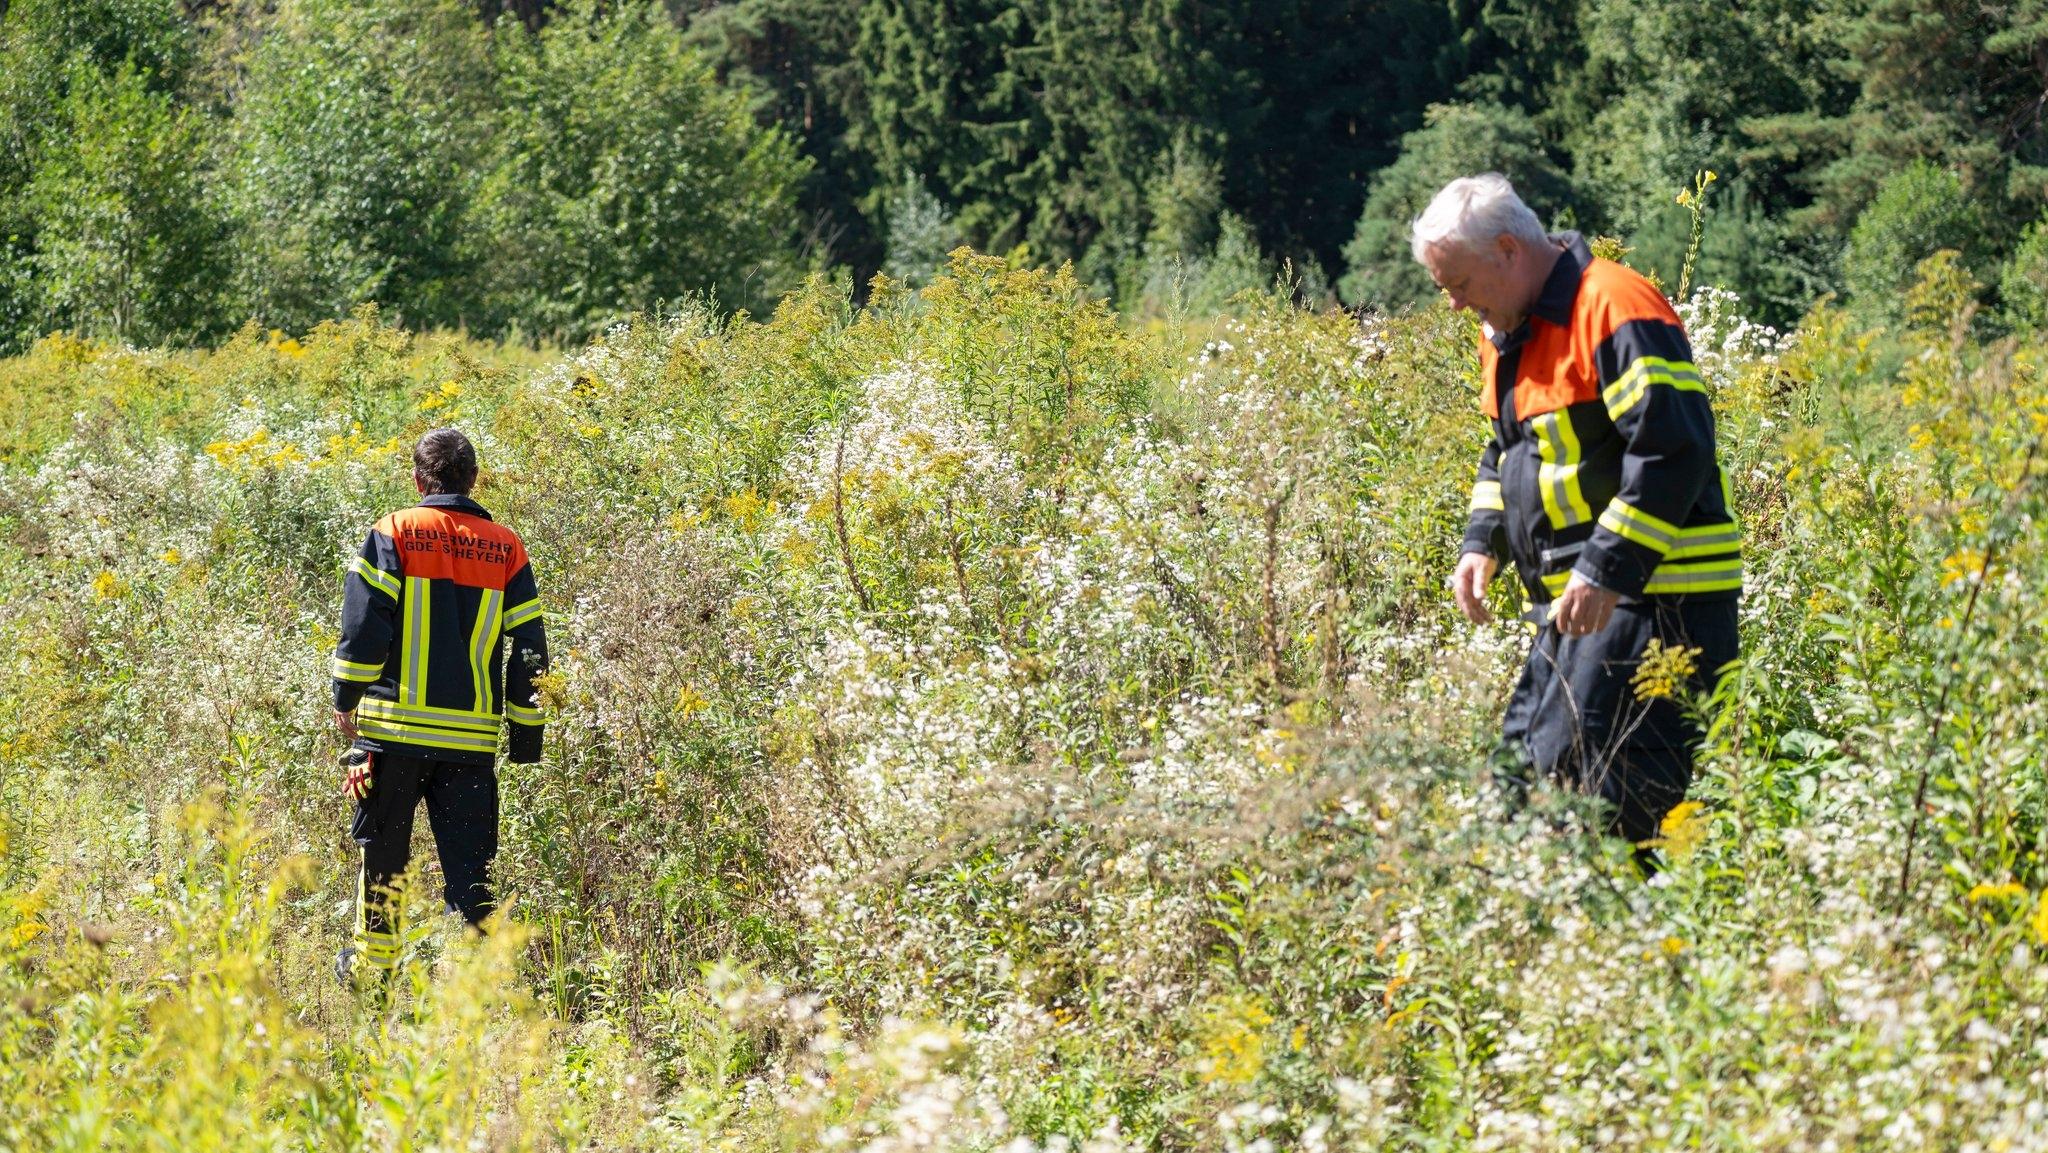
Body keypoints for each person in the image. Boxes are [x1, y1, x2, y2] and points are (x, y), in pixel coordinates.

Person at [1415, 173, 1740, 864]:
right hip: (1579, 609)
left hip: (1655, 604)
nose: (1453, 303)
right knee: (1522, 789)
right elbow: (1506, 449)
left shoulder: (1613, 305)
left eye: (1461, 283)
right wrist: (1481, 543)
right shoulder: (1505, 329)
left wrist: (1604, 567)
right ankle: (1556, 956)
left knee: (1597, 806)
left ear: (1508, 249)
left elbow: (1674, 448)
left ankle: (1644, 959)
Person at [330, 427, 547, 984]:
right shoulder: (507, 547)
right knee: (473, 876)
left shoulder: (394, 532)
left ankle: (372, 983)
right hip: (469, 745)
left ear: (417, 479)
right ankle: (474, 997)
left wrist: (345, 700)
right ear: (474, 478)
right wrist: (525, 737)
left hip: (391, 736)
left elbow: (363, 627)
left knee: (383, 864)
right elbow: (530, 650)